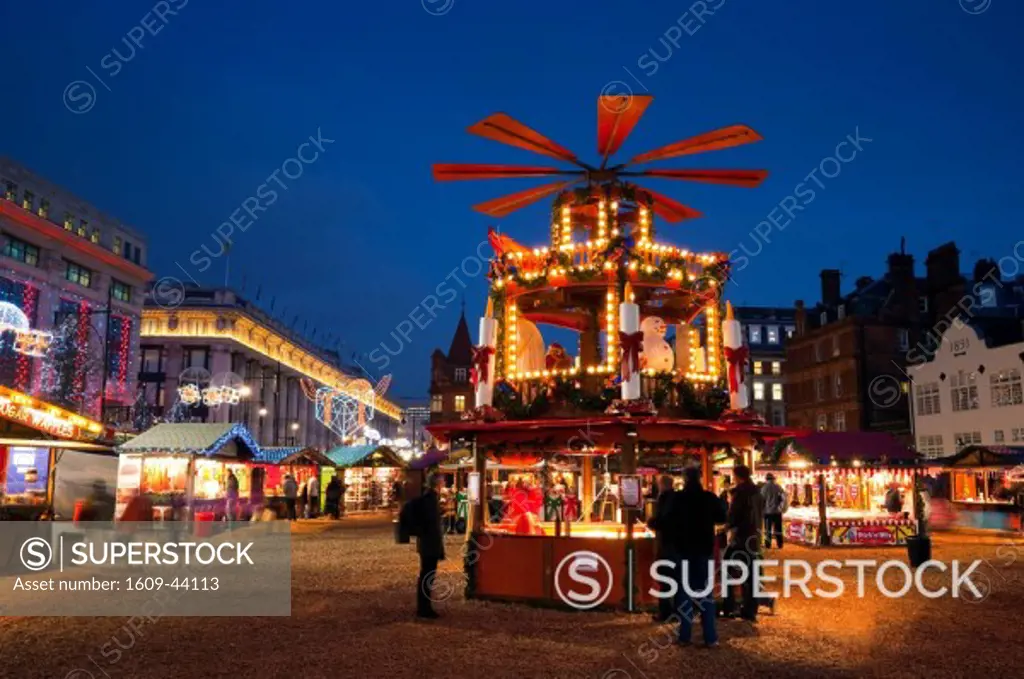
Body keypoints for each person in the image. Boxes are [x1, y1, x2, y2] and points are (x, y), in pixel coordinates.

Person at [662, 466, 726, 648]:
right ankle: (711, 637)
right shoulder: (708, 498)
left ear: (684, 479)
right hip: (704, 549)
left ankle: (685, 636)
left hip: (683, 549)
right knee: (706, 593)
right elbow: (722, 517)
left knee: (684, 593)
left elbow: (666, 521)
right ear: (700, 477)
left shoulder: (678, 498)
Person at [723, 465, 769, 622]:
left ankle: (730, 606)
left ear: (737, 476)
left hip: (741, 538)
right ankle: (750, 609)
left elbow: (734, 516)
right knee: (752, 575)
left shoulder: (740, 493)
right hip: (755, 537)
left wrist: (726, 526)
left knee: (727, 570)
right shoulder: (758, 492)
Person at [646, 474, 677, 623]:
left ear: (662, 485)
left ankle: (665, 612)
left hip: (666, 543)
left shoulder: (664, 498)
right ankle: (677, 611)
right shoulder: (678, 498)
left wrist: (651, 522)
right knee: (676, 579)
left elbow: (663, 520)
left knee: (664, 578)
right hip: (677, 545)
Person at [416, 473, 446, 619]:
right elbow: (432, 526)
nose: (444, 483)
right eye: (442, 480)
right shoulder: (430, 499)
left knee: (426, 575)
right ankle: (424, 608)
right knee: (427, 575)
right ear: (437, 483)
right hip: (429, 544)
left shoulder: (428, 498)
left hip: (427, 543)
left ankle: (424, 607)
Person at [761, 473, 787, 549]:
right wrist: (781, 508)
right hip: (777, 512)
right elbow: (783, 498)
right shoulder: (778, 487)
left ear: (766, 479)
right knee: (778, 528)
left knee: (767, 529)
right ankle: (780, 544)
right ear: (773, 479)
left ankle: (768, 544)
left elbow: (762, 500)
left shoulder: (764, 488)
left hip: (768, 512)